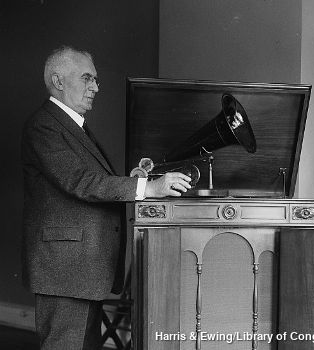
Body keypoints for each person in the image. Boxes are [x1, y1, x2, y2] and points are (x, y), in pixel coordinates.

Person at [21, 45, 191, 350]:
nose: (95, 87)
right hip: (67, 269)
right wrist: (148, 189)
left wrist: (134, 181)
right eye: (87, 78)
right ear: (58, 81)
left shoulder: (71, 126)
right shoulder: (44, 125)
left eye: (95, 80)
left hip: (81, 269)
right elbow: (80, 181)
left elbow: (86, 180)